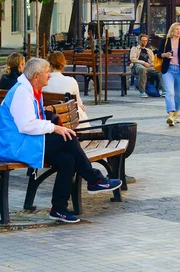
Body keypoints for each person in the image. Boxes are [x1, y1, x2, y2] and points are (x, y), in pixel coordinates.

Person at [0, 58, 121, 224]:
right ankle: (95, 180)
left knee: (68, 160)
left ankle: (59, 209)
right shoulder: (22, 92)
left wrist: (53, 125)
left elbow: (35, 119)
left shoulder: (32, 89)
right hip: (16, 145)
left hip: (27, 142)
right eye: (47, 72)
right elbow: (26, 125)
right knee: (68, 138)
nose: (49, 76)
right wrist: (56, 128)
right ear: (36, 76)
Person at [159, 23, 180, 127]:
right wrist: (165, 55)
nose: (179, 31)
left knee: (179, 95)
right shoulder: (165, 41)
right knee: (170, 92)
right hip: (168, 69)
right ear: (172, 31)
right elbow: (158, 53)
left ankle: (176, 112)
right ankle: (170, 114)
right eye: (176, 29)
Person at [44, 51, 89, 123]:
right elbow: (79, 104)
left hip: (49, 119)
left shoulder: (43, 83)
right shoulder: (71, 81)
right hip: (69, 121)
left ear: (49, 64)